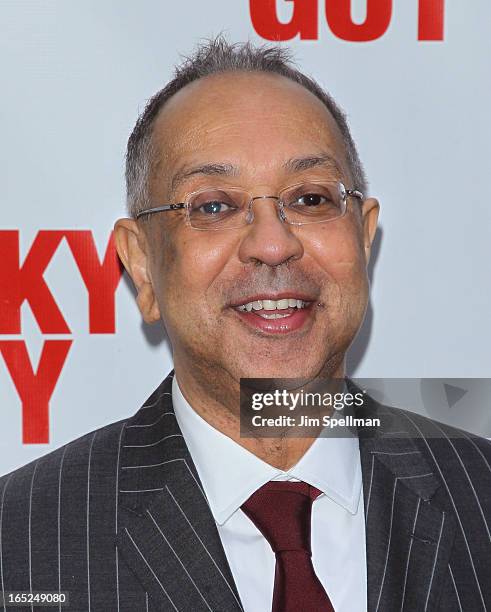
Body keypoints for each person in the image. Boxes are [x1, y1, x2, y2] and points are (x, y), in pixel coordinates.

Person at [0, 37, 489, 612]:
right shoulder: (23, 540)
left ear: (363, 234)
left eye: (309, 198)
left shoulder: (478, 494)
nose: (273, 244)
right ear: (142, 264)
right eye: (213, 207)